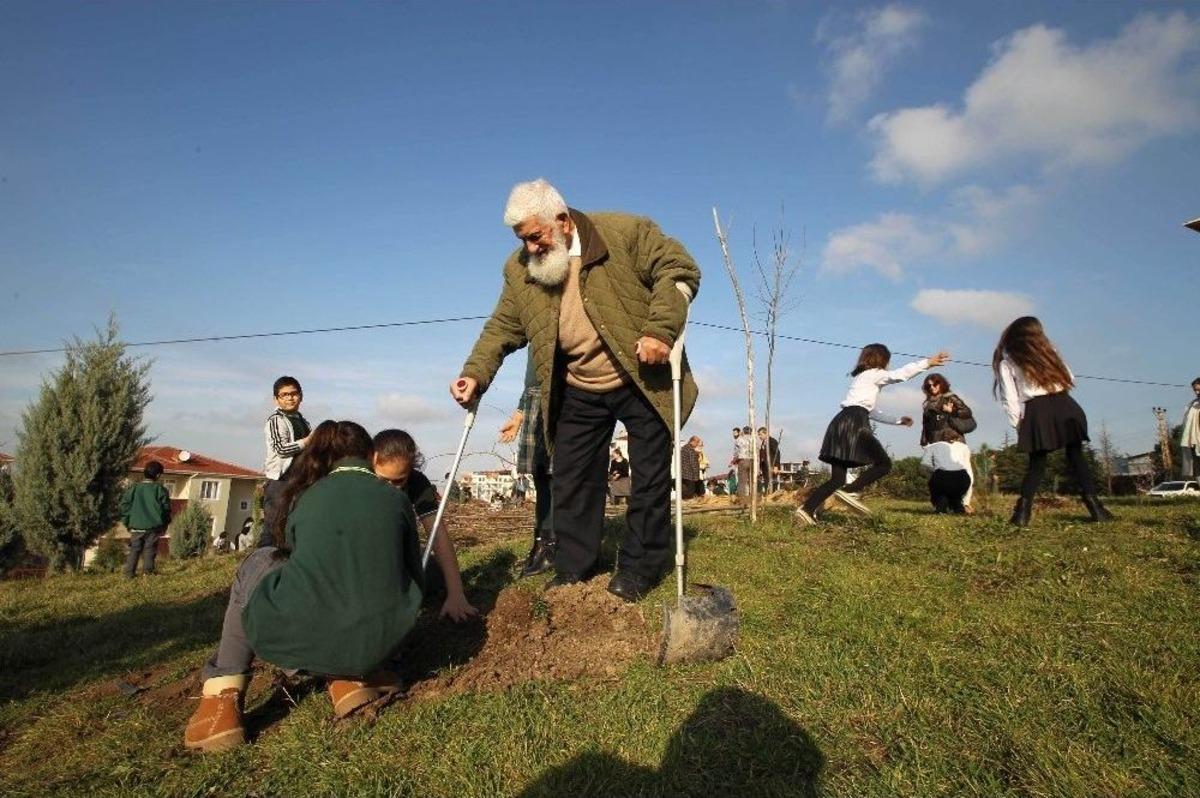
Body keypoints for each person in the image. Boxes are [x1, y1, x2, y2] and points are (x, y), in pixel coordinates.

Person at [450, 178, 700, 602]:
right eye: (522, 239)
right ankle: (574, 565)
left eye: (536, 236)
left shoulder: (626, 232)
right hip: (578, 385)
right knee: (571, 479)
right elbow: (504, 325)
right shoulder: (519, 269)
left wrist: (660, 330)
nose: (530, 247)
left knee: (648, 478)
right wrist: (475, 373)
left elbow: (678, 270)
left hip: (640, 375)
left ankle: (640, 567)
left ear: (563, 221)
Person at [184, 421, 423, 753]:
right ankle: (351, 679)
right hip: (383, 647)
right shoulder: (396, 500)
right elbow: (414, 573)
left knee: (261, 560)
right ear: (371, 456)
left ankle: (221, 701)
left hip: (315, 637)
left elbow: (297, 558)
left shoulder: (308, 496)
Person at [795, 344, 949, 525]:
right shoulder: (875, 373)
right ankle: (850, 491)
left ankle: (806, 510)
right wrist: (927, 363)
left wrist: (897, 420)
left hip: (840, 423)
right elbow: (900, 375)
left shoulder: (861, 378)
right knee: (884, 464)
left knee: (837, 479)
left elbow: (871, 411)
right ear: (882, 359)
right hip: (855, 423)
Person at [994, 316, 1112, 525]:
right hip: (1065, 404)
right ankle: (1096, 510)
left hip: (1037, 410)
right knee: (1076, 457)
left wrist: (1018, 423)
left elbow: (1009, 397)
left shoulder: (1008, 361)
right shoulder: (1050, 351)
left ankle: (1021, 515)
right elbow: (1070, 377)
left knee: (1037, 463)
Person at [372, 429, 478, 621]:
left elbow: (437, 534)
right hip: (361, 557)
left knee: (435, 574)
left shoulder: (417, 483)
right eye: (383, 480)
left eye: (398, 481)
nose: (391, 488)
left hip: (399, 552)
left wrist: (456, 593)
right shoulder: (357, 481)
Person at [499, 352, 555, 577]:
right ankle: (541, 541)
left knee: (554, 478)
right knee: (540, 474)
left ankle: (553, 546)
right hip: (534, 399)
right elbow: (531, 380)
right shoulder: (534, 336)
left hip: (557, 397)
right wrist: (518, 416)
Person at [261, 376, 311, 547]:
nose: (290, 398)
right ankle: (264, 559)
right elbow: (280, 449)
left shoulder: (303, 422)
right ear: (276, 399)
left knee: (296, 525)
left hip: (301, 480)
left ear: (301, 396)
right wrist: (307, 441)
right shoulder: (276, 420)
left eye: (294, 394)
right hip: (280, 480)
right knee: (274, 526)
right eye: (284, 395)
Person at [919, 373, 977, 511]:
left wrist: (952, 411)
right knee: (939, 474)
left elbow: (967, 412)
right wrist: (924, 440)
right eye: (929, 385)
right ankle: (943, 503)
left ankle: (965, 502)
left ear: (941, 383)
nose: (932, 387)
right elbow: (926, 424)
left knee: (964, 471)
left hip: (953, 439)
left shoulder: (950, 397)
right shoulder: (927, 403)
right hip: (935, 441)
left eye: (935, 384)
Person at [119, 460, 171, 578]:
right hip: (153, 526)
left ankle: (129, 574)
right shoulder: (160, 489)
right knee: (150, 549)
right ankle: (148, 572)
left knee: (134, 549)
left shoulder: (134, 488)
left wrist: (127, 522)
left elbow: (125, 506)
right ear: (158, 475)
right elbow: (166, 509)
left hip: (136, 526)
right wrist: (165, 524)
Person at [920, 439, 973, 513]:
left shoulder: (932, 446)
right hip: (962, 479)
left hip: (942, 478)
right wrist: (967, 500)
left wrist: (934, 472)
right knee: (955, 493)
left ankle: (941, 502)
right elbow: (968, 469)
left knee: (939, 486)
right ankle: (957, 504)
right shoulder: (964, 447)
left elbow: (925, 464)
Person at [1181, 378, 1200, 479]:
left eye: (1199, 389)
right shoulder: (1192, 405)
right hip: (1194, 441)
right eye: (1195, 390)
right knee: (1197, 468)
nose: (1197, 392)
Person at [757, 427, 780, 493]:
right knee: (766, 481)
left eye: (760, 434)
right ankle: (767, 494)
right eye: (758, 435)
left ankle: (773, 494)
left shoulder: (772, 441)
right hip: (764, 465)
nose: (759, 436)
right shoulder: (763, 442)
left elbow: (777, 453)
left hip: (771, 464)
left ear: (766, 433)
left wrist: (776, 466)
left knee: (772, 481)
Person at [734, 425, 754, 498]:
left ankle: (742, 497)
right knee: (752, 480)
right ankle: (752, 495)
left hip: (742, 461)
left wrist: (735, 460)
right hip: (752, 461)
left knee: (742, 480)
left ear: (743, 431)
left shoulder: (739, 439)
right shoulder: (754, 439)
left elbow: (736, 453)